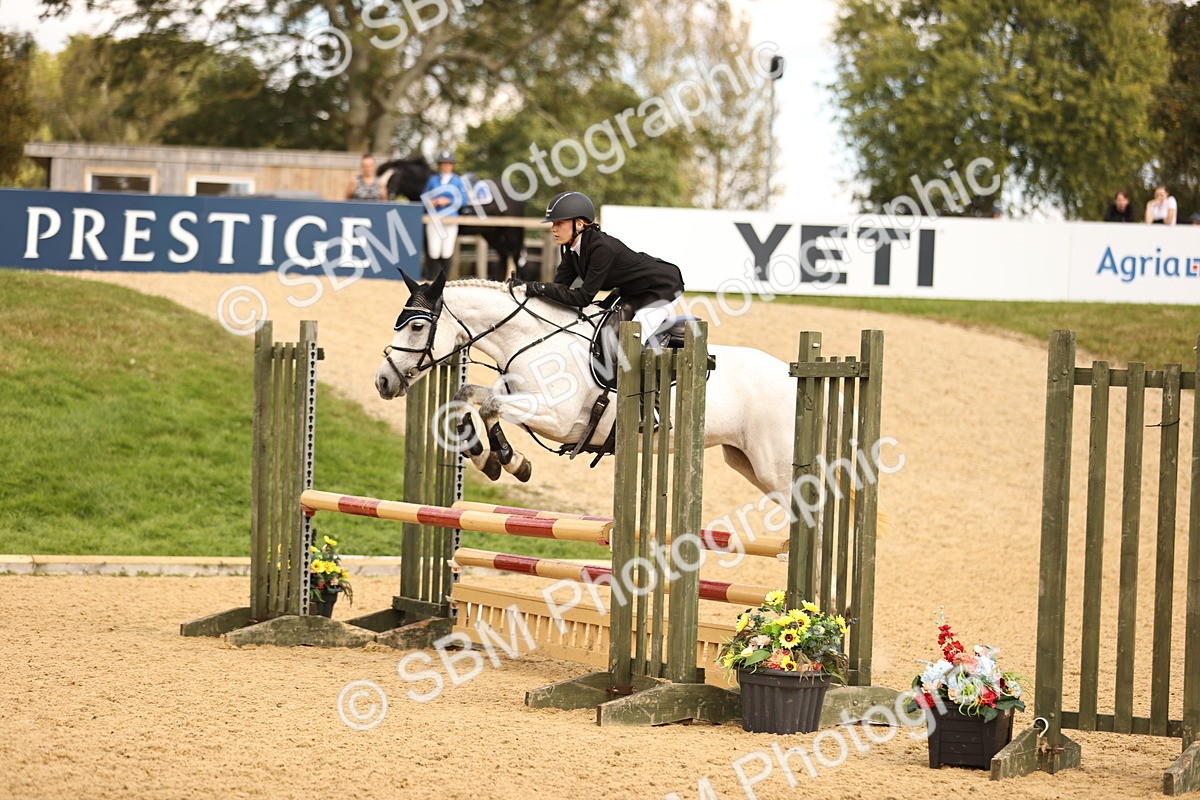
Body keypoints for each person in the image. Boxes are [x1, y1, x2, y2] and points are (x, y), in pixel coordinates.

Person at [517, 191, 684, 345]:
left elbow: (583, 298)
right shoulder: (570, 248)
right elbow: (559, 287)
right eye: (553, 223)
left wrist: (540, 287)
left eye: (559, 223)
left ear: (579, 224)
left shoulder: (601, 248)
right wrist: (526, 288)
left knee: (631, 342)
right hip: (631, 291)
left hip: (662, 288)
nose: (553, 228)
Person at [422, 150, 467, 277]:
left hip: (450, 219)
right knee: (434, 251)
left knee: (447, 251)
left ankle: (445, 279)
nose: (446, 166)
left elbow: (463, 200)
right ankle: (431, 279)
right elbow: (424, 197)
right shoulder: (433, 179)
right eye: (443, 163)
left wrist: (448, 201)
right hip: (434, 219)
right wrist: (431, 201)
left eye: (448, 163)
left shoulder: (457, 181)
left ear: (452, 165)